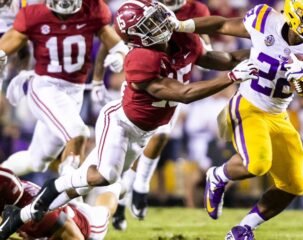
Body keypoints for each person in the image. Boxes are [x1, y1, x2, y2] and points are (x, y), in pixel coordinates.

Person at [0, 1, 258, 238]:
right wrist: (232, 78)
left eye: (157, 18)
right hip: (121, 124)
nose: (159, 26)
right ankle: (40, 200)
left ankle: (23, 214)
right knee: (104, 175)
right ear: (137, 37)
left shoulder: (184, 38)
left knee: (108, 181)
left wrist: (260, 53)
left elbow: (223, 59)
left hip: (145, 130)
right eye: (149, 25)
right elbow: (184, 94)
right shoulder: (140, 58)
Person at [170, 0, 303, 238]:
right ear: (293, 16)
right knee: (258, 164)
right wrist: (180, 25)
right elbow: (221, 25)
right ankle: (218, 176)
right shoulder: (265, 20)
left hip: (279, 115)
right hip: (248, 105)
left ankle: (243, 229)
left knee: (294, 184)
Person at [0, 0, 129, 177]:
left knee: (37, 161)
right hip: (46, 86)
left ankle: (2, 179)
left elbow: (116, 43)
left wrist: (120, 55)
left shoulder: (92, 9)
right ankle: (67, 195)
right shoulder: (34, 14)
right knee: (78, 133)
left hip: (75, 90)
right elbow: (7, 44)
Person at [116, 0, 213, 226]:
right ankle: (121, 199)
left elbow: (206, 48)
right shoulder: (144, 8)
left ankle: (140, 186)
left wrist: (203, 49)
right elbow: (128, 39)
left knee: (159, 135)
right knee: (130, 146)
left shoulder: (195, 10)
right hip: (148, 81)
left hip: (175, 81)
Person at [0, 167, 110, 240]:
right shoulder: (13, 194)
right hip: (64, 209)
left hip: (88, 224)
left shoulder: (36, 216)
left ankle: (117, 187)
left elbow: (76, 238)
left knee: (105, 210)